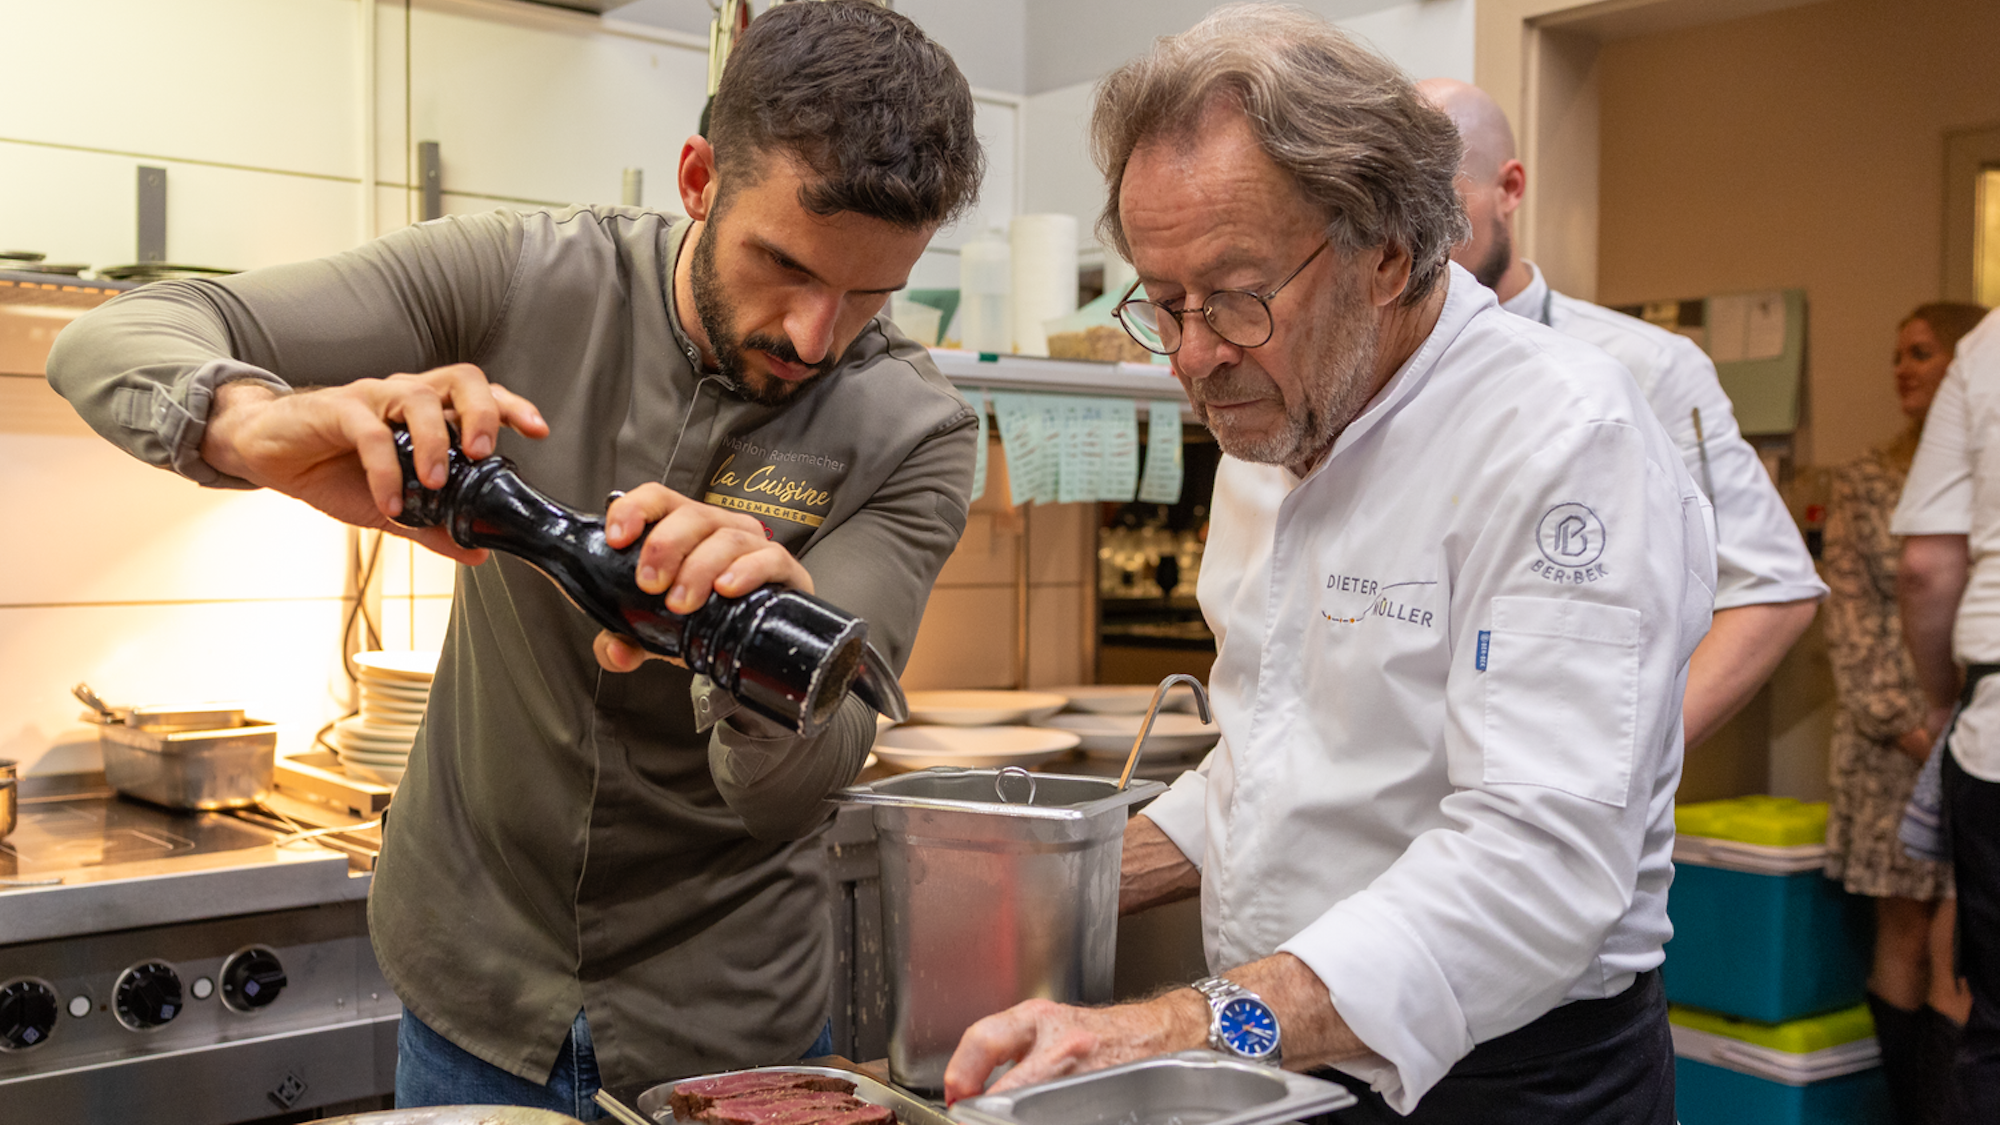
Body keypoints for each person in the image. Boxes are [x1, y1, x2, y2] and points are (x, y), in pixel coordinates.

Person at [45, 2, 982, 1116]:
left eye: (869, 294)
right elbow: (110, 339)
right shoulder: (524, 275)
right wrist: (253, 429)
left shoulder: (917, 432)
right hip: (473, 993)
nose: (814, 336)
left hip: (729, 1029)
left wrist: (765, 647)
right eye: (781, 264)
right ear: (697, 178)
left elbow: (788, 792)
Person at [941, 7, 1713, 1122]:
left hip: (1506, 1078)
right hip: (1284, 1044)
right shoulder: (1275, 414)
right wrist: (1028, 874)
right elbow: (1276, 763)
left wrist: (1176, 1023)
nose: (1197, 356)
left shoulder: (1561, 438)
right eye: (1163, 302)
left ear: (1388, 256)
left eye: (1237, 294)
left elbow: (1536, 868)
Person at [1417, 78, 1825, 750]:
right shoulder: (1373, 372)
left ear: (1509, 189)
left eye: (1443, 205)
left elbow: (1772, 590)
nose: (1417, 241)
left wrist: (1629, 761)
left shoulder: (1647, 368)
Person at [1825, 303, 1984, 1125]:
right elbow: (1847, 621)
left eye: (1923, 352)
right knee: (1904, 932)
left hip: (1977, 741)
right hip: (1894, 748)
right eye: (1896, 354)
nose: (1903, 368)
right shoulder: (1862, 481)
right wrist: (1919, 726)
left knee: (1964, 950)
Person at [1893, 305, 2000, 1123]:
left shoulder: (1987, 345)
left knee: (1990, 1024)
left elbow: (1928, 565)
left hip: (1994, 734)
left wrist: (1942, 701)